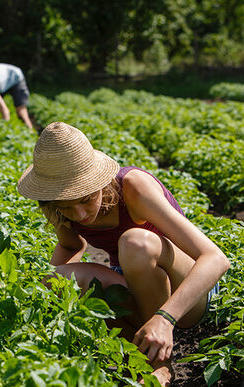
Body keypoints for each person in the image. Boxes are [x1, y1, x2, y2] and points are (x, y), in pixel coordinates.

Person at [16, 122, 229, 385]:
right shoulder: (60, 208)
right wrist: (48, 295)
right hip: (136, 287)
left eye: (85, 199)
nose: (80, 215)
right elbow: (71, 247)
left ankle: (161, 363)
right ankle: (135, 356)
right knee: (53, 277)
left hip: (189, 292)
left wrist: (165, 318)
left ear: (99, 181)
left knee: (135, 243)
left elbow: (215, 259)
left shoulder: (133, 188)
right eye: (66, 206)